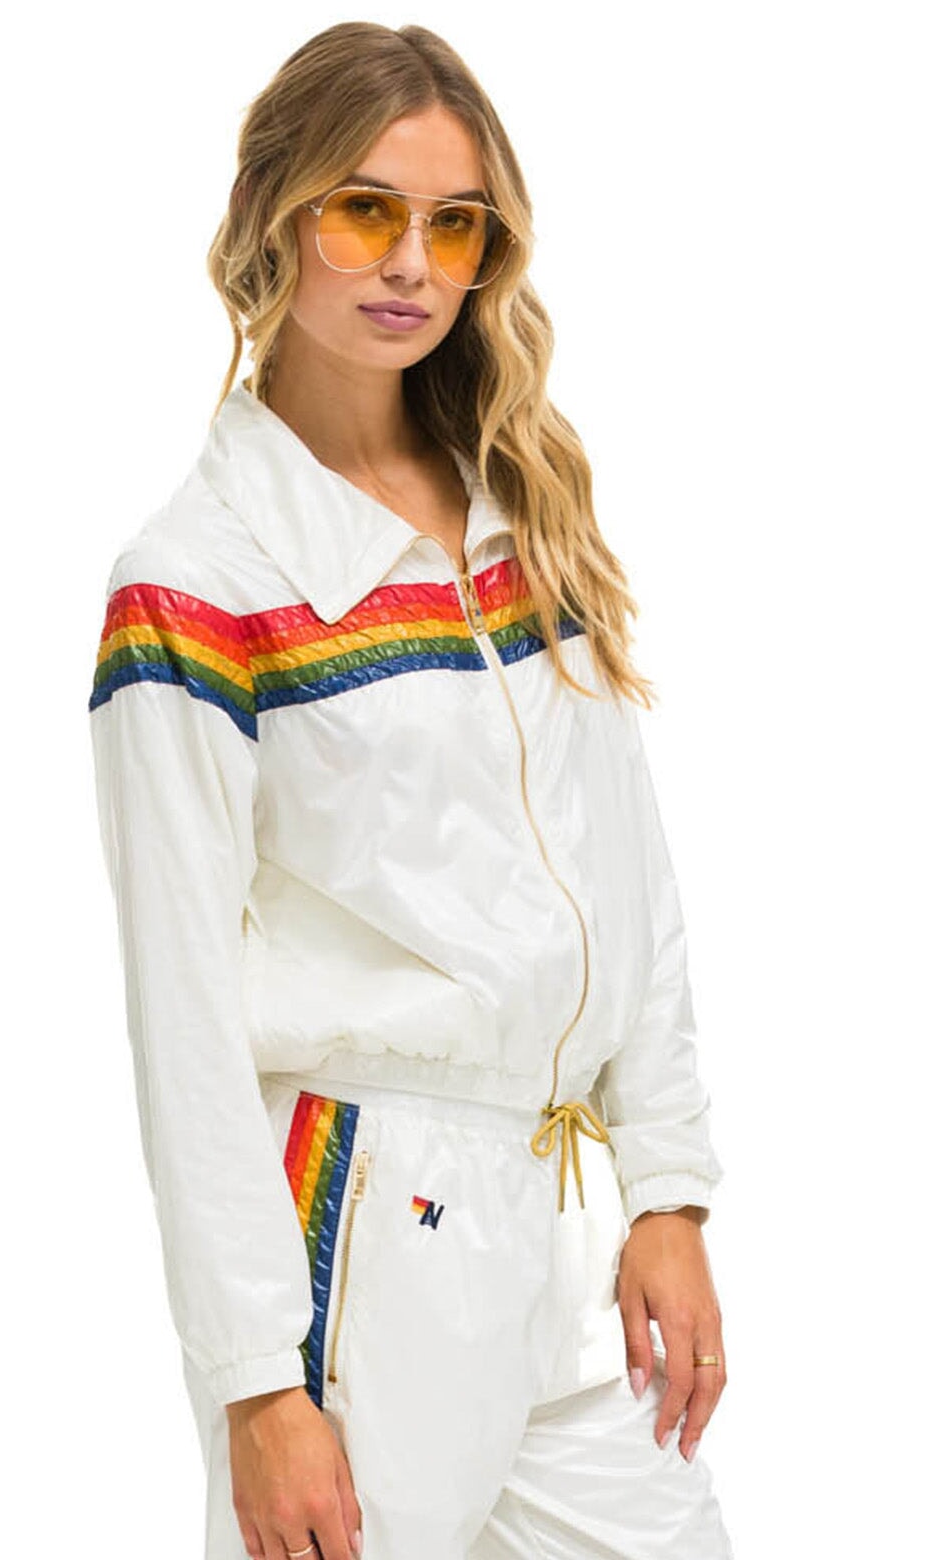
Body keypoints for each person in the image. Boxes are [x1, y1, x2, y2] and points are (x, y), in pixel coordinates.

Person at [88, 20, 734, 1560]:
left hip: (562, 1215)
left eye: (455, 226)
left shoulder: (521, 510)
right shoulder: (196, 582)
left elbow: (628, 866)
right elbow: (182, 1008)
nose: (410, 265)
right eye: (364, 209)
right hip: (364, 1226)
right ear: (274, 213)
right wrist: (258, 1383)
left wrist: (668, 1187)